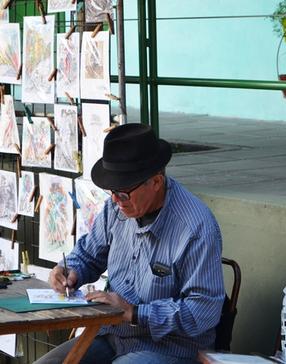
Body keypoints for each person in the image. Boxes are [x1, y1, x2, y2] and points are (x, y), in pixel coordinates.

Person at [36, 124, 225, 364]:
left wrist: (134, 313)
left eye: (124, 193)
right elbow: (88, 255)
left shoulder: (195, 228)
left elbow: (203, 312)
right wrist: (70, 271)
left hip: (169, 348)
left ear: (156, 182)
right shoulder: (115, 207)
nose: (116, 200)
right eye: (112, 191)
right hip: (111, 335)